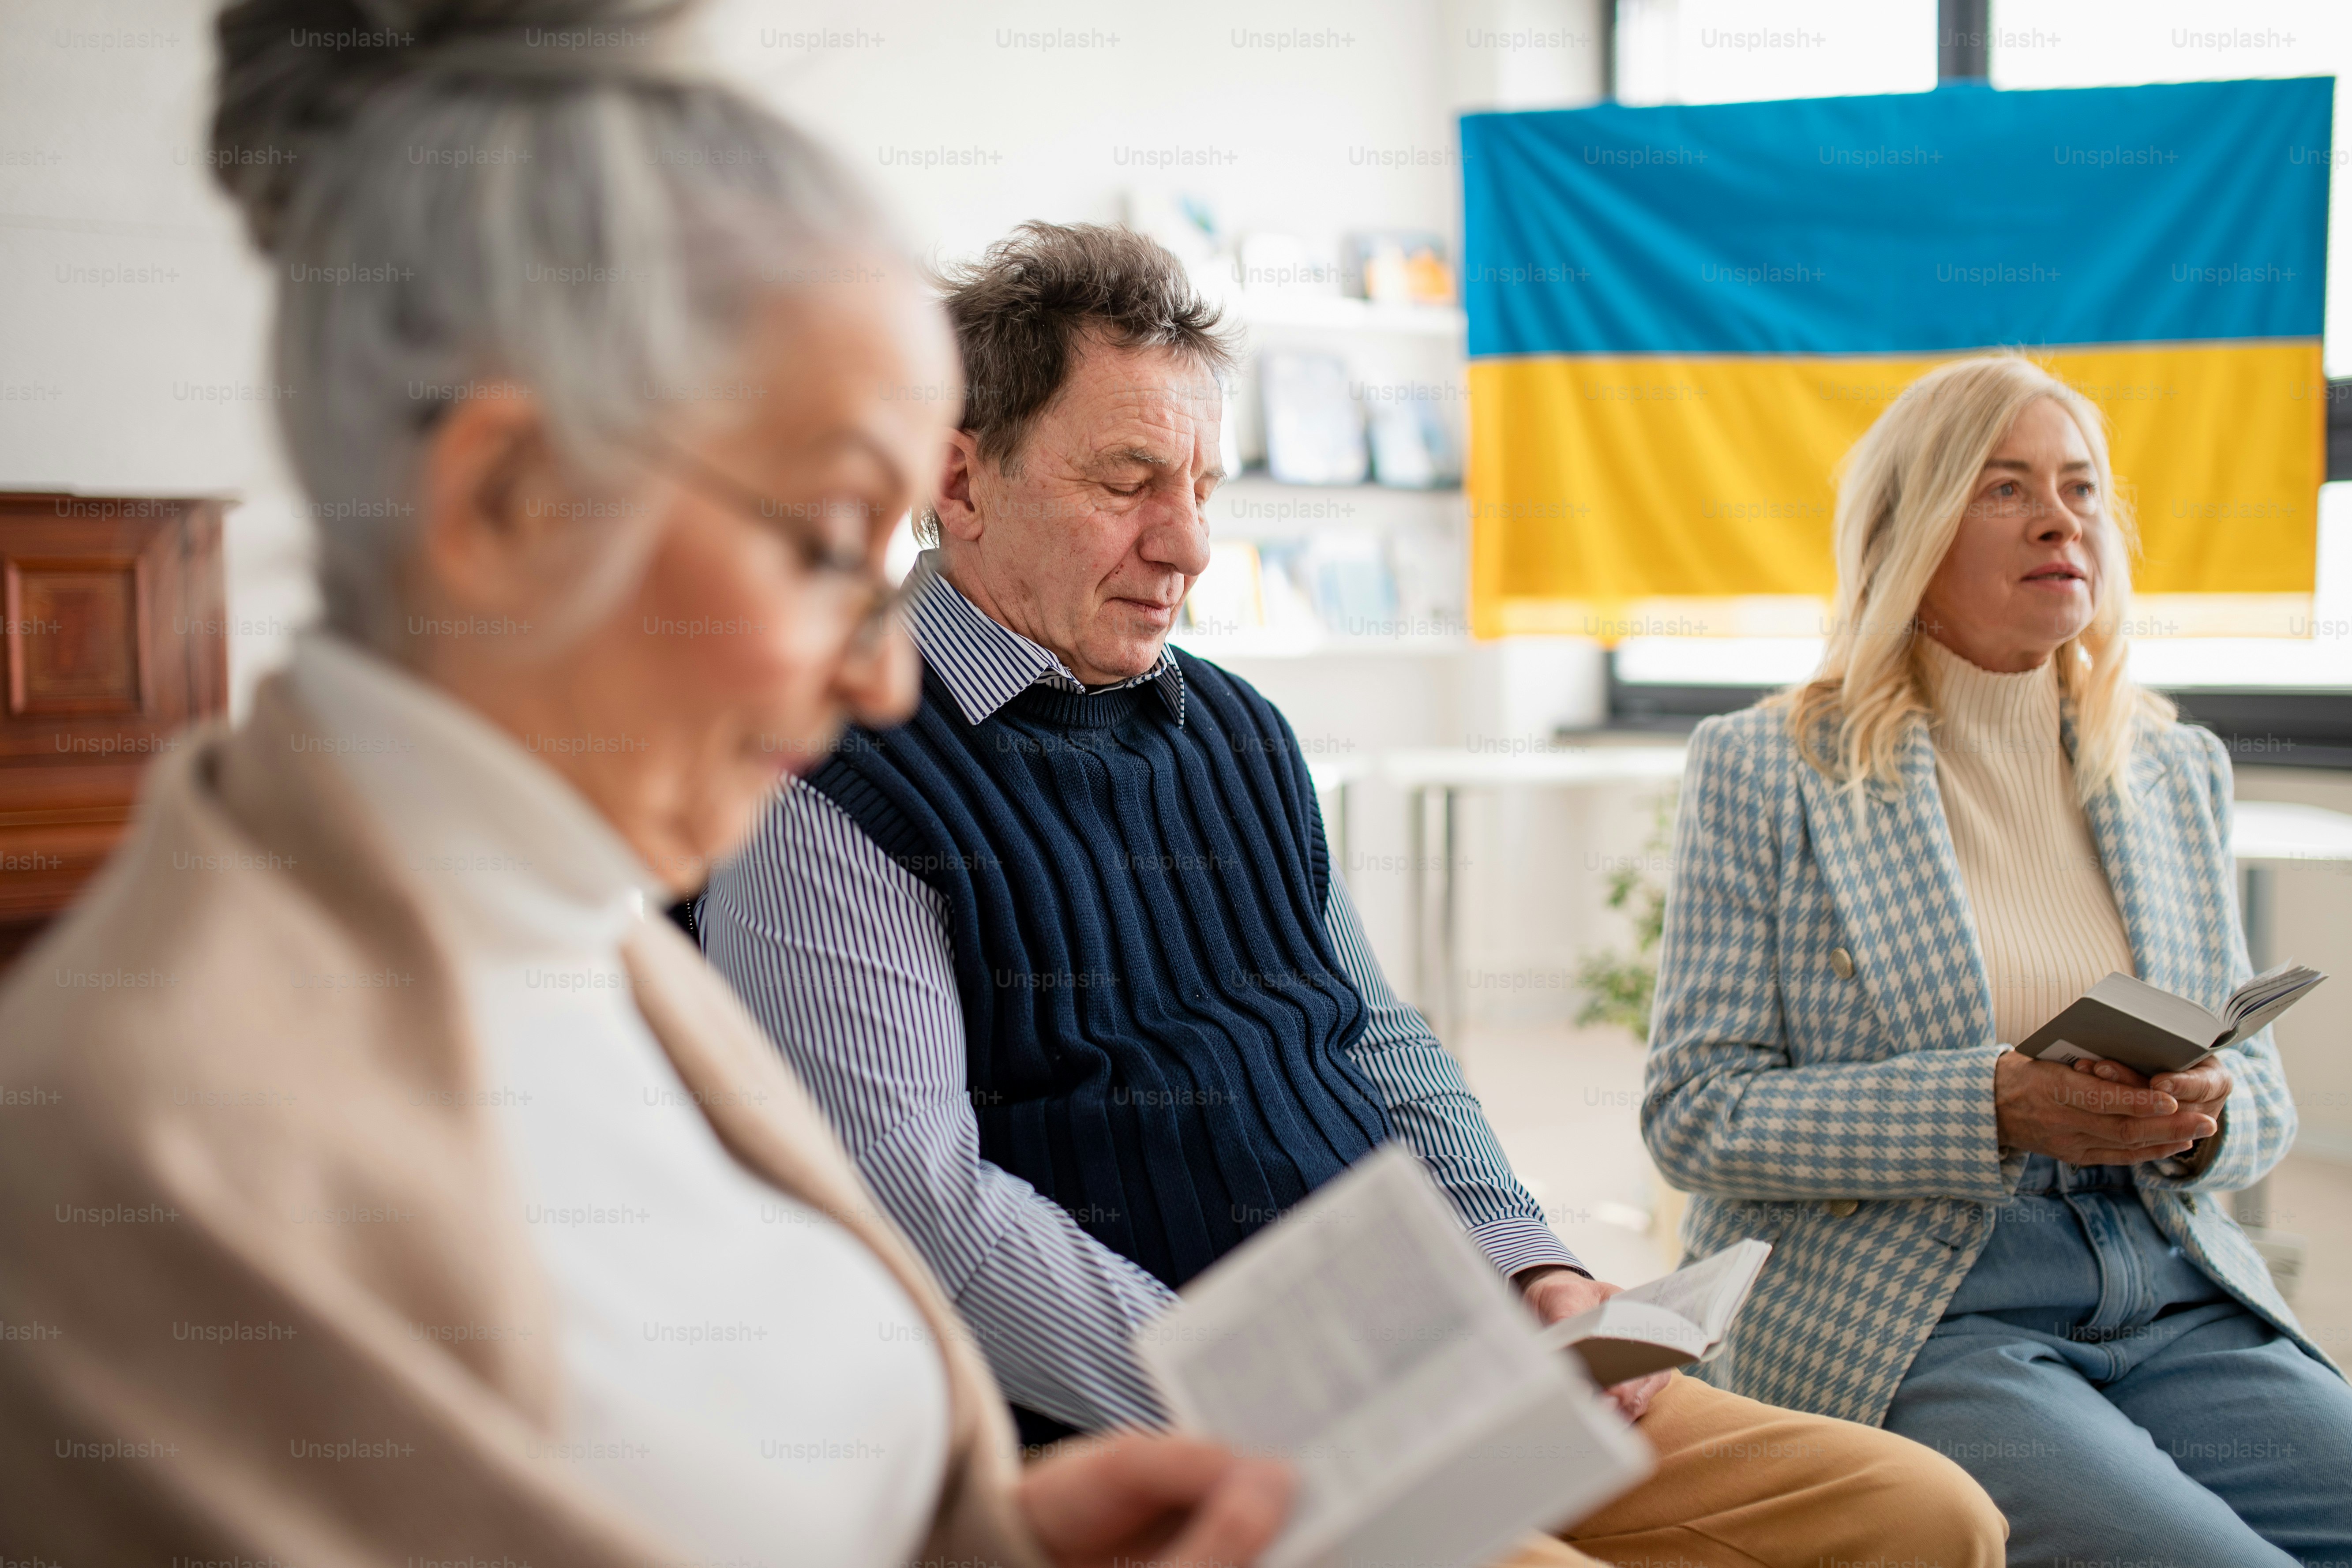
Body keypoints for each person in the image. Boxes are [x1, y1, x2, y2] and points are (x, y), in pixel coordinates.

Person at [0, 5, 1297, 1563]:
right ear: (509, 502)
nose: (886, 677)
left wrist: (1000, 1536)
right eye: (826, 540)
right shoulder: (155, 1169)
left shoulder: (596, 941)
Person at [700, 219, 2007, 1568]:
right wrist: (1263, 1415)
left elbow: (1374, 1038)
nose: (1189, 542)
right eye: (1129, 480)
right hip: (1133, 1427)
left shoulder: (1238, 729)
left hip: (1415, 1354)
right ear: (961, 480)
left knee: (1926, 1515)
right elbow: (925, 1208)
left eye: (1204, 482)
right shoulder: (827, 773)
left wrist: (1529, 1265)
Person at [1643, 352, 2352, 1564]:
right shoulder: (1766, 765)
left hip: (2164, 1274)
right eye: (2002, 486)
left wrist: (2198, 1114)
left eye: (2078, 487)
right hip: (1924, 1299)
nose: (2057, 516)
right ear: (1907, 531)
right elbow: (1694, 1113)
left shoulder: (2174, 768)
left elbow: (2265, 1099)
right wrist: (1993, 1103)